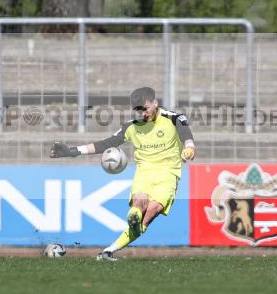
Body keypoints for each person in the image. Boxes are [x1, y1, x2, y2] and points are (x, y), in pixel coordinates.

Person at [50, 86, 196, 261]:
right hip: (145, 171)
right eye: (138, 110)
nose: (142, 113)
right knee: (139, 204)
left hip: (169, 173)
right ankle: (130, 223)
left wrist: (189, 147)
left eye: (146, 108)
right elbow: (106, 143)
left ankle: (109, 250)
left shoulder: (173, 118)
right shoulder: (131, 126)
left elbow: (186, 134)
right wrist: (73, 151)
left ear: (155, 103)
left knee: (152, 211)